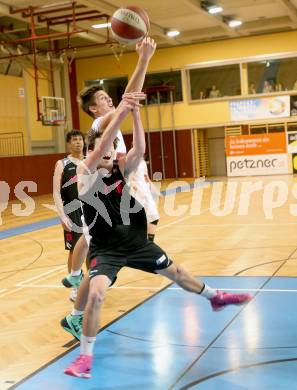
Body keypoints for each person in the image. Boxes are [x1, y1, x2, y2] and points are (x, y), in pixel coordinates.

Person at [64, 92, 252, 379]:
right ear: (92, 152)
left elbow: (138, 149)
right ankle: (85, 359)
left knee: (178, 273)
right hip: (107, 249)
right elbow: (102, 140)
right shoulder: (85, 172)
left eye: (110, 150)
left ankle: (215, 297)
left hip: (135, 242)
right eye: (101, 150)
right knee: (98, 293)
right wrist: (124, 109)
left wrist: (136, 115)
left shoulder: (119, 170)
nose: (106, 152)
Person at [61, 37, 157, 292]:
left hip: (122, 176)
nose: (109, 100)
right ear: (94, 109)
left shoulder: (108, 123)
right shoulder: (99, 124)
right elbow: (127, 100)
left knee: (100, 232)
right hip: (107, 180)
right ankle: (81, 280)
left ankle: (78, 277)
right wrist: (143, 59)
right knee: (100, 235)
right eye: (103, 99)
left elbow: (128, 101)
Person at [53, 129, 85, 302]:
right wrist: (62, 215)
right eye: (74, 140)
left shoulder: (91, 161)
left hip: (91, 210)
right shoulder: (62, 164)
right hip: (72, 211)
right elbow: (56, 192)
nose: (78, 142)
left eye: (80, 139)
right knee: (74, 250)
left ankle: (90, 285)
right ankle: (75, 287)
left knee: (92, 250)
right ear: (69, 143)